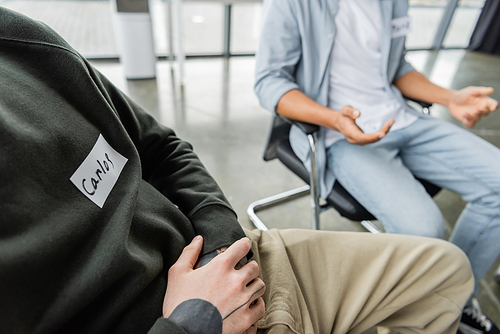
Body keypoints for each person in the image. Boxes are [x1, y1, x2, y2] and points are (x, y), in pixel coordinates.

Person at [0, 6, 474, 334]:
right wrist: (191, 322)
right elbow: (269, 82)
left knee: (448, 266)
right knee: (429, 226)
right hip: (333, 138)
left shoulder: (21, 39)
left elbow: (163, 147)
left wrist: (224, 249)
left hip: (233, 261)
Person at [254, 0, 500, 333]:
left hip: (403, 119)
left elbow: (395, 67)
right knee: (426, 231)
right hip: (340, 135)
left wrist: (450, 98)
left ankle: (455, 300)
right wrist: (333, 119)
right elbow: (269, 81)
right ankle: (440, 305)